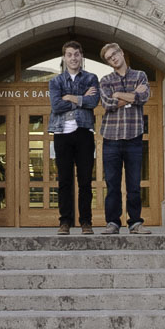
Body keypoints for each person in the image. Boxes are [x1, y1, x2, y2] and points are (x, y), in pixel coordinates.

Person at [98, 42, 151, 235]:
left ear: (121, 53)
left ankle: (135, 223)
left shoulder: (140, 75)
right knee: (112, 185)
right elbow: (107, 103)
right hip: (111, 138)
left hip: (134, 137)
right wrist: (132, 95)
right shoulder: (105, 80)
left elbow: (144, 97)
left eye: (114, 54)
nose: (113, 58)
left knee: (134, 185)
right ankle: (113, 223)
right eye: (109, 58)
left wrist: (119, 94)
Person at [47, 40, 100, 235]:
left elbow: (93, 101)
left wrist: (69, 97)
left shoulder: (91, 78)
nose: (73, 58)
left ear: (81, 56)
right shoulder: (55, 81)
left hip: (84, 132)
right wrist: (80, 99)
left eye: (76, 54)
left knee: (85, 181)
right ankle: (65, 222)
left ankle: (86, 222)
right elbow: (56, 106)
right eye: (69, 54)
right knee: (65, 181)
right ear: (64, 57)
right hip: (62, 134)